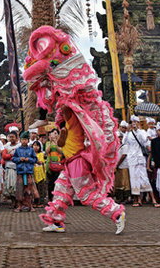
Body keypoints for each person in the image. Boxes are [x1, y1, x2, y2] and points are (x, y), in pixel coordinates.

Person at [23, 26, 125, 235]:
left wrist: (48, 74)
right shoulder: (66, 117)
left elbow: (68, 95)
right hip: (70, 162)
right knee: (60, 193)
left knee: (87, 195)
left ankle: (115, 212)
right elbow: (59, 133)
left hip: (77, 161)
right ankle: (56, 220)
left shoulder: (73, 110)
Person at [125, 120, 158, 207]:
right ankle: (138, 199)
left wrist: (137, 131)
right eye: (132, 123)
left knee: (144, 177)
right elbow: (124, 142)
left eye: (136, 122)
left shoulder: (142, 132)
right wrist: (128, 131)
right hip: (132, 158)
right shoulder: (128, 133)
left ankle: (153, 199)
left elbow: (144, 142)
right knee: (134, 179)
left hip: (140, 157)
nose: (134, 124)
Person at [12, 131, 39, 212]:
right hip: (20, 172)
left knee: (29, 189)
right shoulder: (17, 150)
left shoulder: (31, 150)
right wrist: (19, 159)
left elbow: (35, 159)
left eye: (25, 139)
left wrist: (29, 159)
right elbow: (13, 159)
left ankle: (31, 206)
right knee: (20, 189)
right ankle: (19, 206)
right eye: (22, 139)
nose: (24, 141)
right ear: (20, 140)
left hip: (28, 172)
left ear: (28, 140)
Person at [44, 128, 64, 201]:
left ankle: (57, 198)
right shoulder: (47, 142)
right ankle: (50, 198)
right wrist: (50, 142)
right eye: (53, 133)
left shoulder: (61, 142)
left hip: (58, 164)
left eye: (56, 133)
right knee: (50, 182)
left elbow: (61, 151)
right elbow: (46, 151)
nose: (54, 135)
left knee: (58, 182)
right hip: (50, 164)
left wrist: (56, 142)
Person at [2, 129, 20, 208]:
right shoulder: (6, 145)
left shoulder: (19, 146)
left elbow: (18, 156)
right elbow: (4, 156)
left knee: (16, 185)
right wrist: (11, 155)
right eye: (10, 137)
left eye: (13, 137)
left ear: (16, 138)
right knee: (9, 185)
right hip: (8, 167)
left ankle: (17, 202)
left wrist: (10, 155)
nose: (12, 138)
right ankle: (12, 202)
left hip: (17, 168)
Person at [33, 141, 47, 207]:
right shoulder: (30, 153)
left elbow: (41, 161)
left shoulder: (41, 154)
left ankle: (41, 202)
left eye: (37, 145)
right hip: (33, 172)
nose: (36, 147)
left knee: (41, 188)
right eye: (34, 145)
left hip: (40, 173)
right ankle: (35, 202)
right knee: (34, 188)